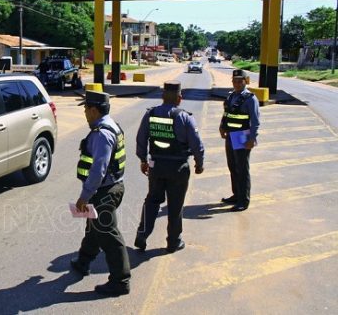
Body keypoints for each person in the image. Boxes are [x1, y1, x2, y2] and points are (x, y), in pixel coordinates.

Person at [70, 91, 131, 296]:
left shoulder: (102, 134)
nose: (85, 113)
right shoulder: (111, 125)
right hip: (110, 187)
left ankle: (120, 281)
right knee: (93, 227)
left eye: (86, 109)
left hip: (104, 191)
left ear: (95, 111)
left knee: (109, 235)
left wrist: (84, 196)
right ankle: (83, 261)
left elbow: (98, 170)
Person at [134, 81, 205, 253]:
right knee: (175, 206)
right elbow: (197, 145)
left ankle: (142, 235)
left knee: (152, 201)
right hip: (177, 168)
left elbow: (141, 139)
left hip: (156, 166)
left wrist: (143, 160)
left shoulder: (150, 115)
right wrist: (199, 163)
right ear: (179, 98)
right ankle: (173, 242)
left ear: (162, 96)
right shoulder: (184, 117)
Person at [219, 69, 260, 211]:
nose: (236, 83)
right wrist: (222, 126)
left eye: (239, 81)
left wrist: (252, 139)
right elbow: (227, 113)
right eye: (234, 81)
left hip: (242, 135)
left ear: (245, 81)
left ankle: (243, 201)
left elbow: (255, 121)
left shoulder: (250, 98)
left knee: (242, 169)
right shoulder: (231, 96)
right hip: (230, 135)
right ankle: (236, 194)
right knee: (232, 166)